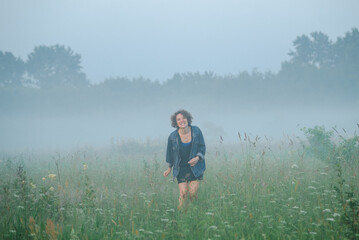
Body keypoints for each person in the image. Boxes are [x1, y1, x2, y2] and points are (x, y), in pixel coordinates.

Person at [163, 109, 206, 210]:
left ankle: (194, 214)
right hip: (181, 169)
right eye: (178, 119)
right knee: (183, 194)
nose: (182, 121)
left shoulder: (196, 131)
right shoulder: (172, 137)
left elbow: (202, 147)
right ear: (176, 122)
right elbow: (170, 153)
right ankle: (181, 218)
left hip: (195, 168)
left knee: (192, 194)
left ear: (188, 119)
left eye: (183, 118)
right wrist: (169, 168)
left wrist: (197, 158)